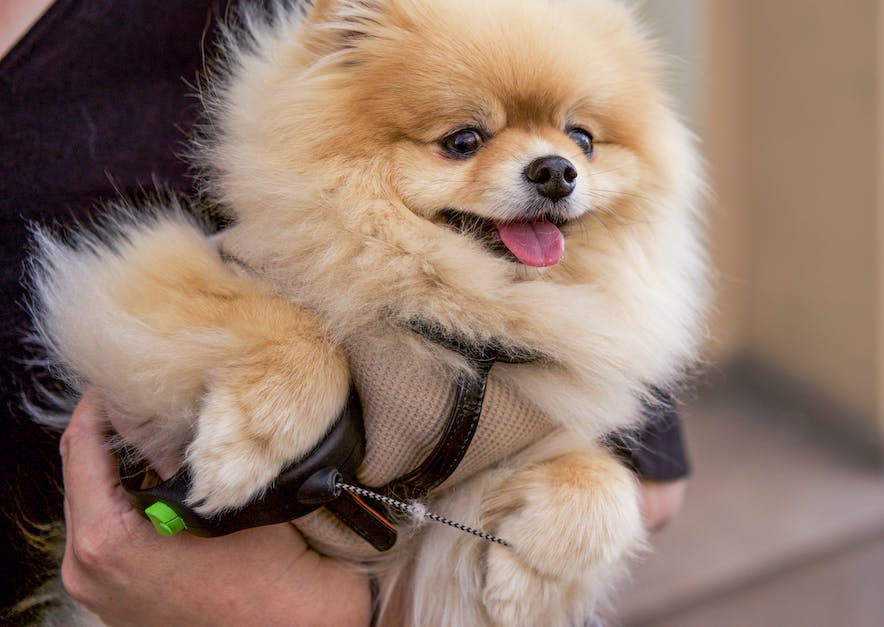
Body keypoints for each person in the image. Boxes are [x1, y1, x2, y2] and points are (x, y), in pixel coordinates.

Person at [1, 1, 689, 622]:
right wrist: (279, 357)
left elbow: (651, 490)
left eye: (582, 137)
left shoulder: (576, 329)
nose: (554, 164)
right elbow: (125, 304)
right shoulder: (282, 252)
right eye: (462, 140)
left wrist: (587, 498)